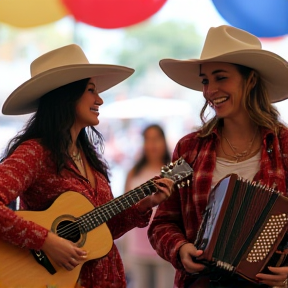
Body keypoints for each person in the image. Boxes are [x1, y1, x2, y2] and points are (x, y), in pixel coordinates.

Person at [0, 44, 174, 288]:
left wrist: (143, 205)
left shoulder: (90, 159)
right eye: (91, 90)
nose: (100, 99)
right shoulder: (35, 152)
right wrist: (46, 241)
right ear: (66, 95)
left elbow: (102, 232)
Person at [148, 25, 288, 288]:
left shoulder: (284, 144)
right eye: (205, 80)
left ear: (251, 80)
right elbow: (162, 222)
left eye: (221, 77)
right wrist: (180, 249)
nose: (210, 90)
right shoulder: (189, 148)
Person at [121, 124, 175, 288]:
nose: (152, 144)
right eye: (148, 139)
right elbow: (125, 209)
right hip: (137, 244)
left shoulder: (172, 171)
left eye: (156, 139)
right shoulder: (133, 172)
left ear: (164, 141)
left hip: (164, 243)